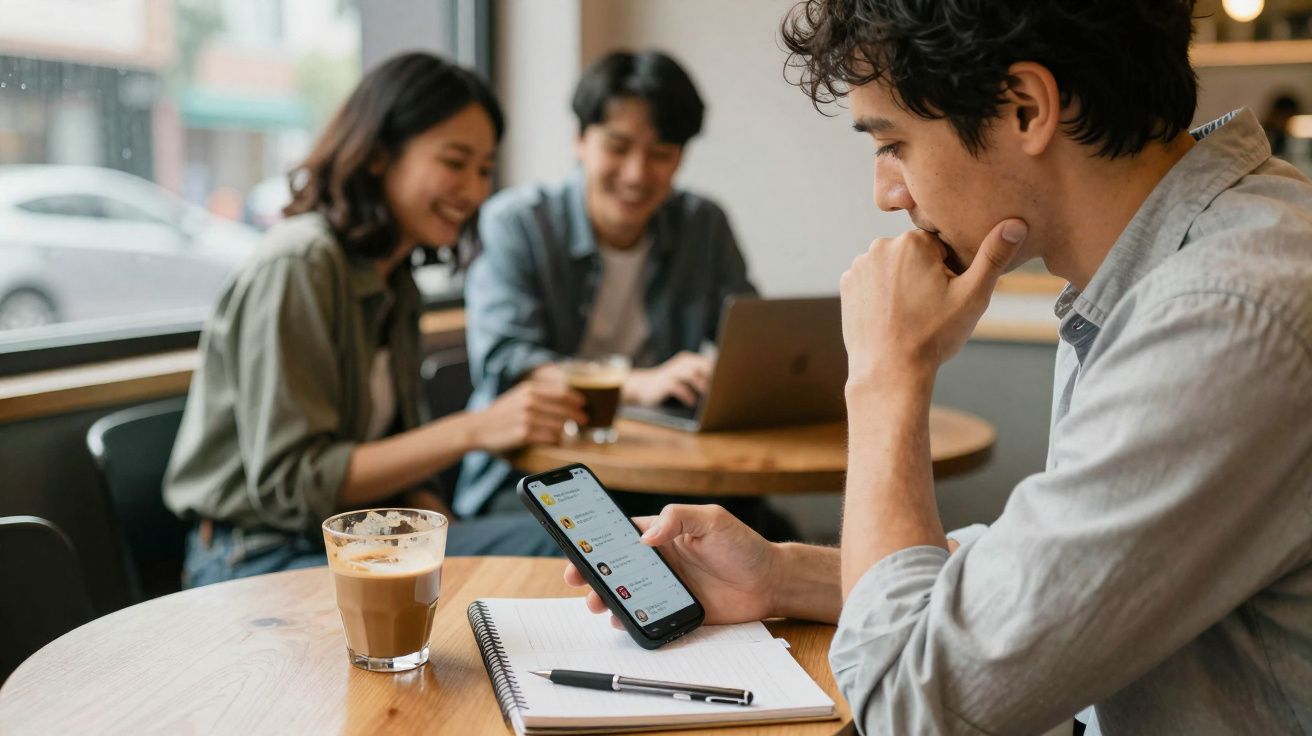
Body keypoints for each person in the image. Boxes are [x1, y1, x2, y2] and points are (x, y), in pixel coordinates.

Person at [565, 1, 1312, 733]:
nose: (885, 193)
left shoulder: (1220, 313)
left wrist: (887, 373)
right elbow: (1052, 571)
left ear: (1025, 108)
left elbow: (910, 710)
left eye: (892, 144)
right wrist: (779, 575)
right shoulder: (1182, 269)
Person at [165, 53, 588, 588]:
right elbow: (291, 486)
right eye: (455, 163)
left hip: (373, 538)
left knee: (562, 546)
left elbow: (401, 451)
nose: (476, 190)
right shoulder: (301, 264)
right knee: (550, 557)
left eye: (484, 169)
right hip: (260, 555)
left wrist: (446, 536)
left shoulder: (396, 280)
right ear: (377, 156)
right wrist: (474, 429)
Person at [455, 50, 790, 538]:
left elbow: (748, 340)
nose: (637, 174)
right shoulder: (518, 223)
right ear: (580, 140)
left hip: (663, 467)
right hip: (532, 475)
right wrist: (636, 383)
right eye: (618, 146)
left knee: (769, 536)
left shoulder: (703, 224)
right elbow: (507, 359)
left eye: (661, 154)